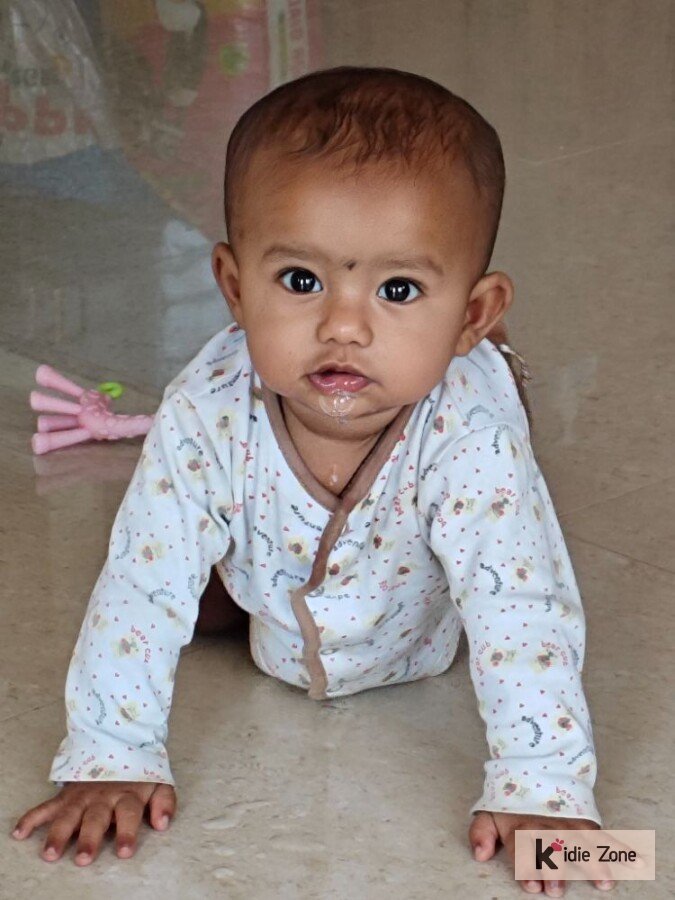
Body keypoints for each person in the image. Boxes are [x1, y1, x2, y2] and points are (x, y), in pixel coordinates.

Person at [11, 66, 613, 895]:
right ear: (233, 288)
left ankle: (493, 366)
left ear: (472, 313)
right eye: (301, 281)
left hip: (421, 629)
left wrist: (542, 789)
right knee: (177, 570)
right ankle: (231, 569)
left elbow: (521, 611)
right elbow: (139, 586)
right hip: (274, 597)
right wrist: (112, 754)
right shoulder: (206, 409)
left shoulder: (471, 437)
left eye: (397, 289)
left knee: (497, 552)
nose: (342, 326)